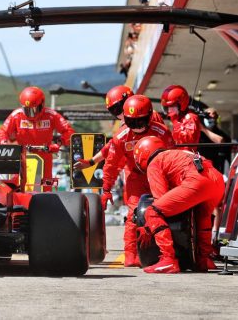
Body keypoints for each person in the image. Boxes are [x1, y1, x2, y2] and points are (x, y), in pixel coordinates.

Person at [133, 136, 225, 273]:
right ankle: (204, 259)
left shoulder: (154, 163)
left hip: (197, 181)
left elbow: (160, 200)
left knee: (152, 212)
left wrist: (148, 227)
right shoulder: (177, 153)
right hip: (217, 180)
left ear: (141, 157)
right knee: (202, 215)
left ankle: (168, 259)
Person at [101, 95, 174, 267]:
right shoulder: (120, 137)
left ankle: (168, 253)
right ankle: (131, 255)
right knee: (133, 216)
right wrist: (106, 189)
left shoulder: (162, 132)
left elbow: (172, 157)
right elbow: (110, 164)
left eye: (140, 121)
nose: (137, 126)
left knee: (165, 211)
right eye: (132, 122)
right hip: (136, 177)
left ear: (149, 116)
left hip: (160, 176)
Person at [0, 86, 75, 192]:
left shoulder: (51, 115)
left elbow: (69, 132)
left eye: (33, 110)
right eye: (27, 110)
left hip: (45, 157)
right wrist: (4, 143)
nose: (30, 114)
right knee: (20, 188)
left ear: (42, 104)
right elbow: (1, 133)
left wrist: (58, 143)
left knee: (46, 188)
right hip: (22, 158)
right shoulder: (16, 115)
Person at [74, 85, 165, 171]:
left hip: (156, 166)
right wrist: (91, 161)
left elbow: (164, 138)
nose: (119, 113)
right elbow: (111, 145)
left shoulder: (150, 115)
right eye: (113, 111)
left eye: (118, 108)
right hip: (136, 171)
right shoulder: (124, 127)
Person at [161, 85, 201, 150]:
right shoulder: (176, 118)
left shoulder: (191, 117)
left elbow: (189, 140)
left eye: (170, 106)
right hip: (177, 154)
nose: (168, 110)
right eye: (166, 107)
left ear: (180, 104)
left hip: (188, 155)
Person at [198, 107, 232, 174]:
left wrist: (204, 129)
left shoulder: (222, 135)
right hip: (201, 168)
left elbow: (221, 141)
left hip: (216, 169)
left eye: (214, 115)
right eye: (209, 115)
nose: (212, 117)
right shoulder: (198, 133)